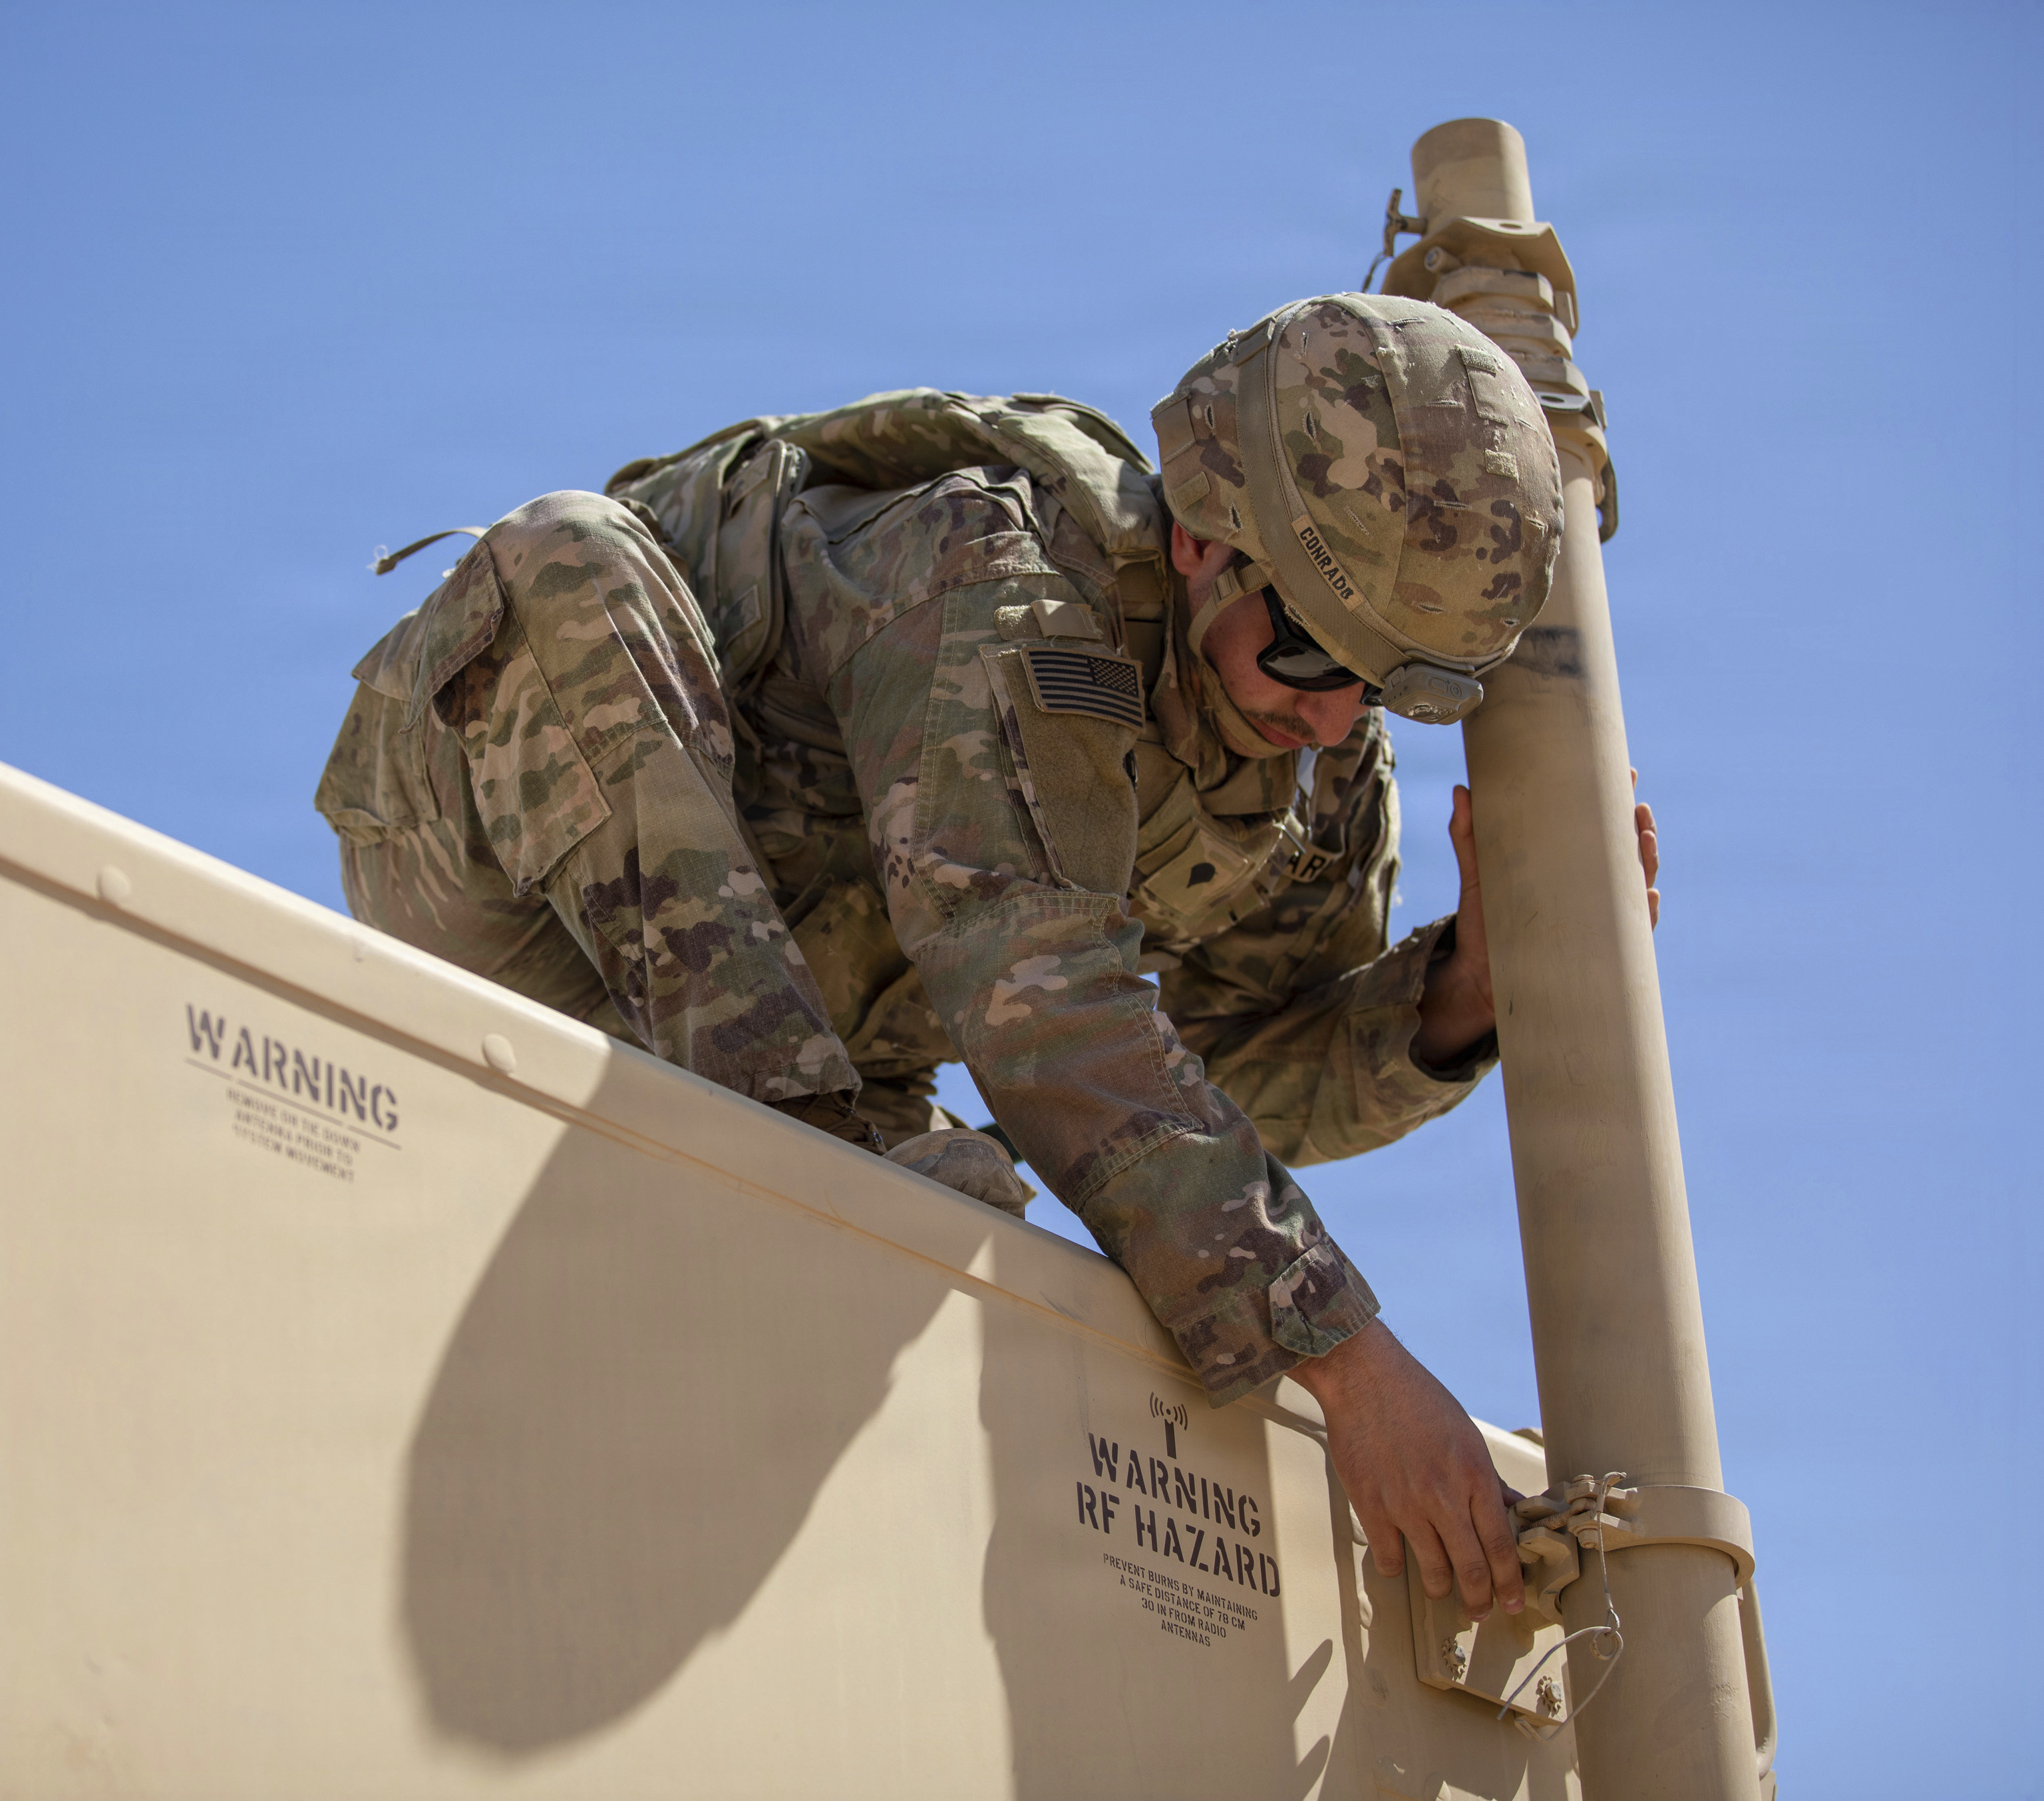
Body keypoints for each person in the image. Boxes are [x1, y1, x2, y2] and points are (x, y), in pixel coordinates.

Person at [316, 293, 1660, 1626]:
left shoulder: (1304, 775)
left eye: (1385, 685)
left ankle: (820, 1147)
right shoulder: (1001, 579)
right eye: (1310, 650)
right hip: (514, 884)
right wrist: (1349, 1362)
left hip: (833, 1049)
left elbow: (1216, 1089)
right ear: (1203, 540)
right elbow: (1049, 1009)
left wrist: (1462, 993)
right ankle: (804, 1148)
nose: (1325, 713)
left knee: (955, 1234)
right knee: (570, 555)